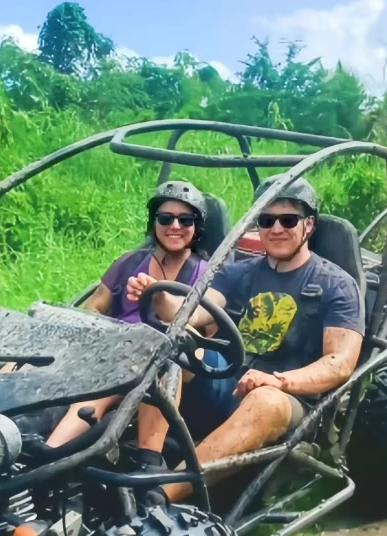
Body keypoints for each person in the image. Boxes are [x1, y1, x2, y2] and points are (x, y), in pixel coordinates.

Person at [126, 174, 364, 503]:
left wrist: (278, 381)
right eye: (266, 220)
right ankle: (147, 464)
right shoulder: (240, 273)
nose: (276, 228)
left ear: (309, 225)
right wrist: (157, 297)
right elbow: (192, 313)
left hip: (293, 401)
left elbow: (340, 364)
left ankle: (161, 496)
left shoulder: (335, 284)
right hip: (230, 382)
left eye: (288, 219)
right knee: (171, 347)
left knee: (264, 400)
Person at [43, 180, 210, 453]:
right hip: (110, 347)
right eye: (166, 218)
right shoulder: (129, 262)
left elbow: (205, 334)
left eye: (185, 220)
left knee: (104, 387)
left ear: (197, 226)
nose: (175, 227)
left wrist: (157, 299)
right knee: (29, 360)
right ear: (154, 222)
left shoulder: (204, 273)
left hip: (154, 364)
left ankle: (45, 459)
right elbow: (93, 308)